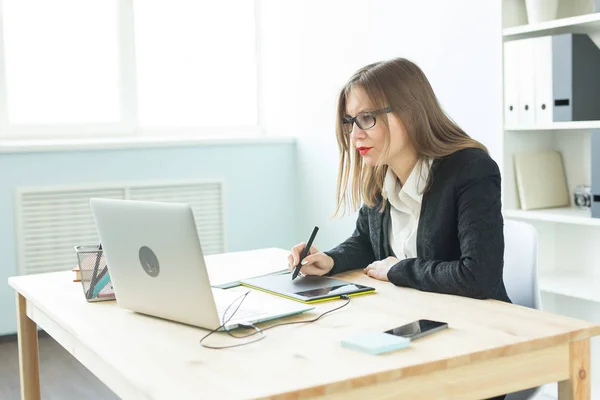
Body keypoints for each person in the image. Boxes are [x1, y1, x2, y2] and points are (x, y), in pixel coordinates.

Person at [288, 58, 510, 400]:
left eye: (367, 118)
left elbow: (477, 276)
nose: (355, 133)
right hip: (409, 331)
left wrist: (399, 270)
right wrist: (329, 261)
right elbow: (367, 243)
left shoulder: (471, 171)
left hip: (474, 345)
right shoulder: (381, 173)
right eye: (350, 121)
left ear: (409, 112)